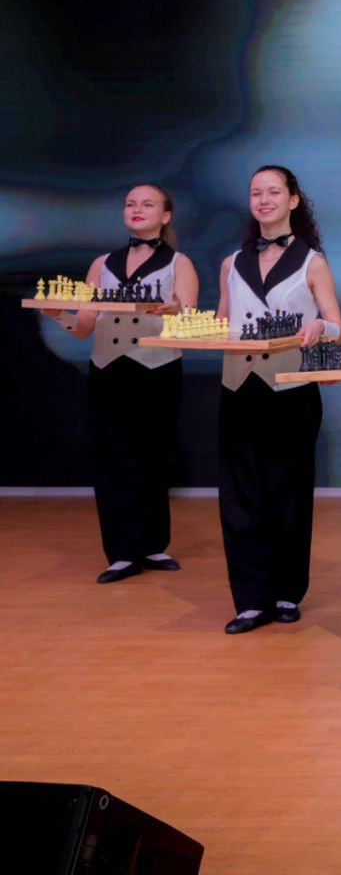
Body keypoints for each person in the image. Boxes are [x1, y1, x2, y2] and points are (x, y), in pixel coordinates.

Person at [43, 184, 198, 583]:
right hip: (109, 368)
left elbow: (189, 321)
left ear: (165, 215)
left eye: (147, 204)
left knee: (154, 456)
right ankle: (121, 551)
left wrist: (175, 310)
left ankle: (153, 544)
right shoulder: (102, 264)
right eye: (130, 203)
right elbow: (83, 328)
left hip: (157, 367)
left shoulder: (178, 262)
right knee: (111, 458)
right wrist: (58, 314)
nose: (136, 209)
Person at [216, 165, 341, 634]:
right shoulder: (232, 263)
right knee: (240, 494)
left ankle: (287, 590)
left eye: (273, 192)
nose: (264, 200)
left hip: (291, 387)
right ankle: (250, 599)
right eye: (256, 193)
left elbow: (337, 325)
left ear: (293, 200)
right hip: (238, 386)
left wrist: (320, 328)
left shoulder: (312, 262)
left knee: (288, 492)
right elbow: (222, 323)